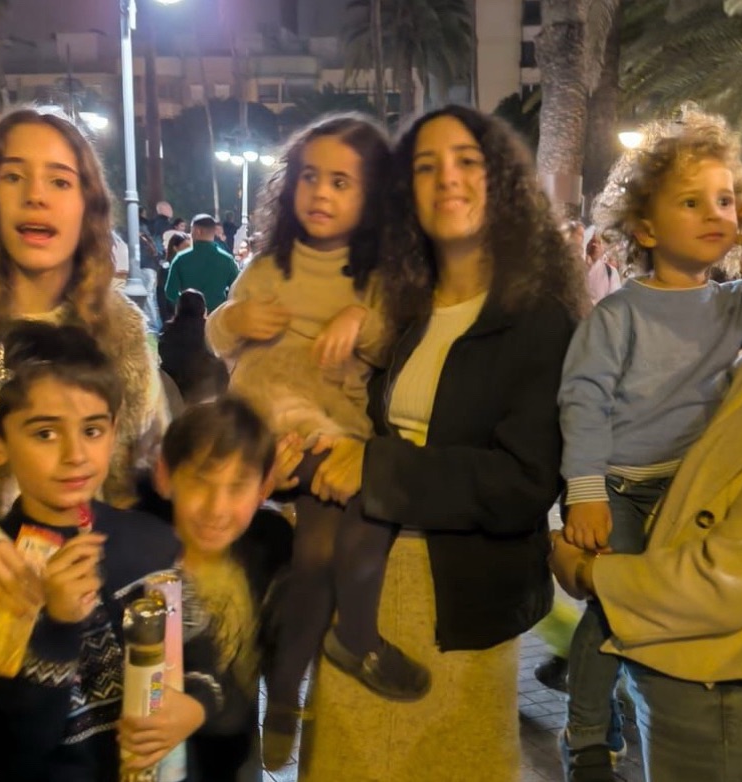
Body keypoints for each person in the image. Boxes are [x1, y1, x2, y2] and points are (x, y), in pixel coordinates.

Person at [295, 105, 588, 781]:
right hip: (360, 592)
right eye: (426, 167)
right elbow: (357, 423)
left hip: (460, 607)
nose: (446, 178)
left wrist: (376, 469)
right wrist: (307, 456)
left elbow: (522, 482)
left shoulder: (538, 318)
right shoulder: (400, 308)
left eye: (466, 161)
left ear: (502, 181)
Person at [551, 147, 742, 782]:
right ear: (645, 228)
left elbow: (735, 580)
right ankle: (588, 730)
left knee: (617, 604)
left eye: (725, 201)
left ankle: (597, 724)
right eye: (692, 203)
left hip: (730, 678)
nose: (723, 216)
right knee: (608, 614)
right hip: (628, 495)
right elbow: (584, 401)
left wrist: (585, 571)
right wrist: (587, 489)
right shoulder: (624, 315)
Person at [205, 113, 428, 770]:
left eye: (340, 182)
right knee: (348, 519)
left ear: (372, 197)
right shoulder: (265, 269)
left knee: (320, 552)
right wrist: (233, 317)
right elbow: (220, 343)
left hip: (333, 436)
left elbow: (388, 348)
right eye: (309, 177)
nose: (320, 193)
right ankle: (351, 644)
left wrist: (361, 318)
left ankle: (287, 691)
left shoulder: (377, 279)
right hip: (266, 425)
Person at [0, 321, 221, 781]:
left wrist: (196, 705)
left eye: (91, 430)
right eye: (45, 433)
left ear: (113, 429)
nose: (75, 454)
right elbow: (4, 756)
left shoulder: (153, 545)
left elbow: (204, 659)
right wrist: (58, 627)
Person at [0, 106, 167, 613]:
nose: (35, 195)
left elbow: (149, 462)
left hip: (101, 593)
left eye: (59, 181)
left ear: (87, 205)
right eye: (13, 176)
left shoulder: (122, 330)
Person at [151, 396, 293, 782]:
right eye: (200, 482)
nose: (217, 508)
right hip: (159, 755)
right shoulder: (144, 558)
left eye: (237, 487)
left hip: (237, 750)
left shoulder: (270, 544)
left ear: (263, 487)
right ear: (165, 475)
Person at [159, 289, 229, 405]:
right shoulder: (210, 329)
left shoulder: (168, 331)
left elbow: (164, 354)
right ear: (203, 309)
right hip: (204, 389)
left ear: (178, 308)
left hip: (174, 387)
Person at [164, 213, 239, 313]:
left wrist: (185, 306)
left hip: (190, 316)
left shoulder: (180, 259)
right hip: (217, 316)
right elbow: (238, 289)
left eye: (191, 230)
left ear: (198, 231)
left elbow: (170, 292)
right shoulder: (227, 260)